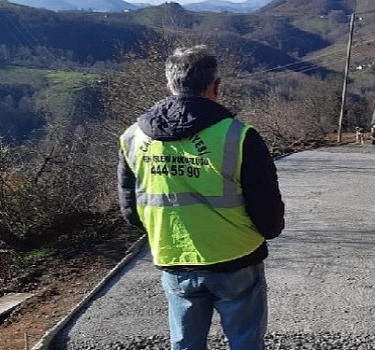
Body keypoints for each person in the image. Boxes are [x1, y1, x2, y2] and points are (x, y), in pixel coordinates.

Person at [117, 44, 285, 350]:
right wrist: (269, 232)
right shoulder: (239, 136)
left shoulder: (133, 137)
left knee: (185, 343)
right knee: (246, 341)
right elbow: (266, 206)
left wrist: (161, 233)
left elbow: (130, 206)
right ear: (216, 86)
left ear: (169, 85)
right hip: (236, 257)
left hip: (173, 257)